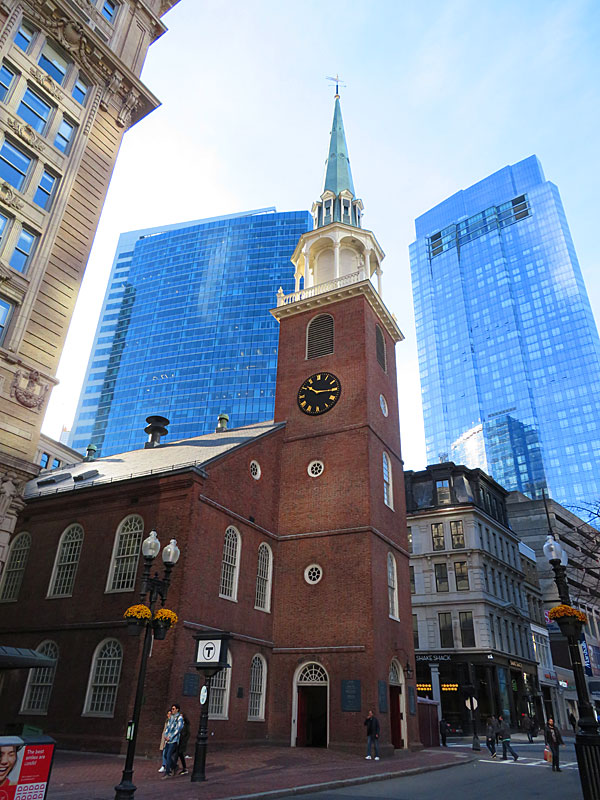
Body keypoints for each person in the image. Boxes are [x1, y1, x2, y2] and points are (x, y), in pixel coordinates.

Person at [162, 703, 184, 777]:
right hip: (168, 740)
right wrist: (165, 735)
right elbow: (168, 727)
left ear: (177, 709)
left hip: (174, 740)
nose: (172, 710)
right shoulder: (171, 717)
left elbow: (178, 729)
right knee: (165, 754)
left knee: (168, 755)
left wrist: (171, 737)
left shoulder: (179, 718)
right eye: (172, 709)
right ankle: (174, 766)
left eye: (173, 709)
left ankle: (168, 772)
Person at [158, 709, 171, 773]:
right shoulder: (167, 721)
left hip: (169, 739)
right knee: (164, 752)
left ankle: (166, 766)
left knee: (167, 753)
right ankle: (164, 765)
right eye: (168, 714)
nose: (169, 715)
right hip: (165, 738)